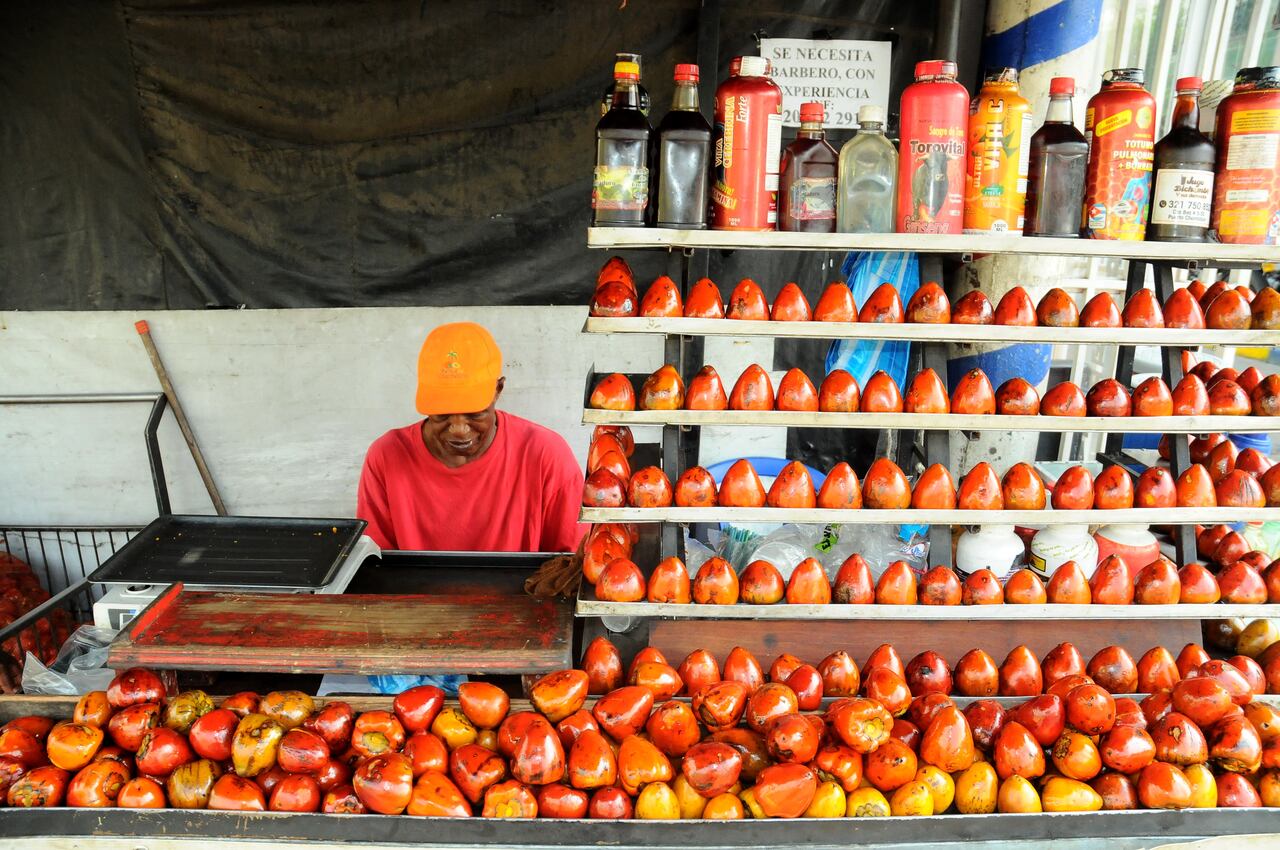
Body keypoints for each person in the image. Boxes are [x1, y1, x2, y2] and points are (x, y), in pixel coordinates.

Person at [357, 322, 585, 553]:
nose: (458, 429)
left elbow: (572, 566)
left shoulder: (546, 455)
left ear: (498, 390)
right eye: (442, 413)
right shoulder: (387, 456)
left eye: (474, 412)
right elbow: (373, 563)